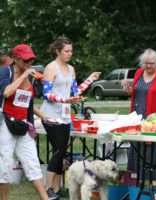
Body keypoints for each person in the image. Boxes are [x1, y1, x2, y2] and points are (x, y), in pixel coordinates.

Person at [40, 36, 101, 200]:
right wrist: (64, 100)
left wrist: (90, 79)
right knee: (58, 151)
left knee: (62, 153)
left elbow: (75, 92)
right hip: (51, 116)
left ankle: (57, 188)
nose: (70, 54)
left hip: (65, 116)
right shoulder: (50, 68)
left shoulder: (71, 68)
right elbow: (46, 94)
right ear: (58, 51)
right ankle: (48, 189)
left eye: (71, 51)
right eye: (66, 51)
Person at [121, 48, 156, 191]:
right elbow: (133, 91)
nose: (149, 66)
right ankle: (133, 180)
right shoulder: (139, 73)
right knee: (135, 148)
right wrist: (127, 89)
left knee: (153, 149)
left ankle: (153, 182)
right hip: (137, 117)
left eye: (152, 63)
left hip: (154, 119)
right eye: (146, 63)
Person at [0, 44, 50, 200]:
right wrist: (23, 76)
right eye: (26, 60)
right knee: (5, 166)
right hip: (5, 123)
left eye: (31, 60)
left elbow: (28, 102)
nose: (30, 63)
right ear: (16, 59)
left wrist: (43, 116)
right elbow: (6, 92)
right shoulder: (5, 72)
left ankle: (45, 198)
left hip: (23, 124)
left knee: (32, 162)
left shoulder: (31, 76)